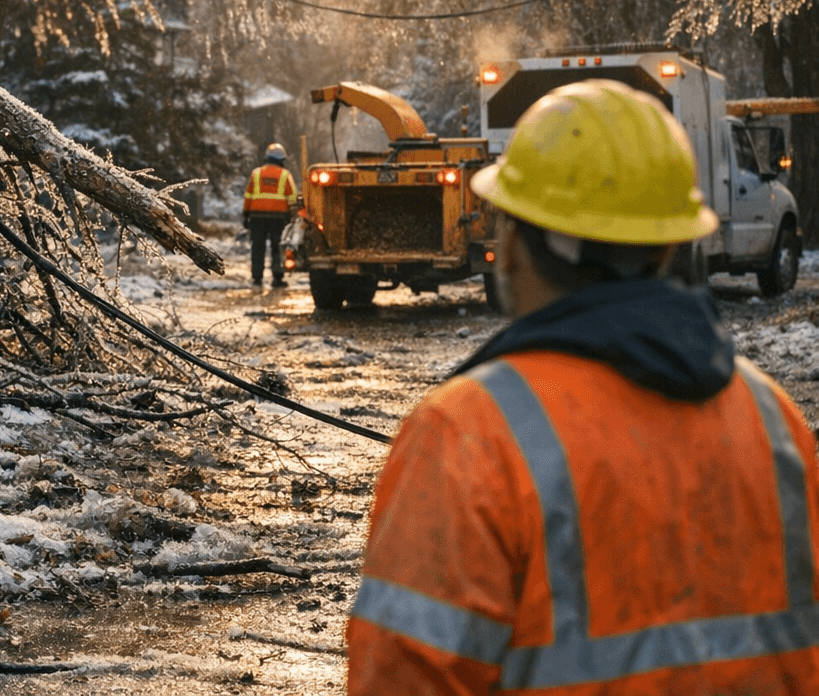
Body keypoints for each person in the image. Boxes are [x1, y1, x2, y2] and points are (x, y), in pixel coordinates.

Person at [347, 79, 819, 693]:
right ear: (669, 245)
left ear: (515, 243)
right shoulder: (773, 420)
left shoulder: (468, 436)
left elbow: (402, 677)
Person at [243, 142, 298, 287]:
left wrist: (245, 214)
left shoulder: (256, 173)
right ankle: (277, 278)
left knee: (258, 246)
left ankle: (257, 278)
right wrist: (293, 216)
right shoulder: (285, 174)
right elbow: (292, 197)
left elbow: (248, 195)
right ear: (281, 159)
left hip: (256, 216)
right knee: (277, 246)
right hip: (278, 217)